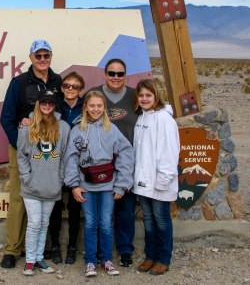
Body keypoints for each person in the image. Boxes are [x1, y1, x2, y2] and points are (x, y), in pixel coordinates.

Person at [0, 39, 63, 269]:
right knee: (19, 197)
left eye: (46, 55)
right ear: (31, 58)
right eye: (38, 56)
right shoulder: (19, 83)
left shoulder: (58, 81)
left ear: (51, 57)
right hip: (24, 150)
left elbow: (62, 113)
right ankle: (12, 250)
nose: (42, 59)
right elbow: (6, 118)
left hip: (49, 151)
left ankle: (38, 249)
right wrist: (20, 145)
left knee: (46, 196)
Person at [63, 90, 134, 277]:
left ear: (104, 108)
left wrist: (122, 184)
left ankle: (106, 259)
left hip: (108, 185)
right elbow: (71, 158)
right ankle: (90, 262)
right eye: (92, 105)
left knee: (105, 222)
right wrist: (73, 185)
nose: (95, 109)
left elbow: (125, 153)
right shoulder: (77, 130)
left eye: (99, 106)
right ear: (85, 108)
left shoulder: (112, 129)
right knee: (90, 223)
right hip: (85, 185)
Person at [89, 58, 139, 267]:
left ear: (125, 75)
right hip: (100, 164)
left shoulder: (135, 97)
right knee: (100, 212)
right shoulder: (94, 96)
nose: (116, 77)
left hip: (127, 161)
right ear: (105, 74)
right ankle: (99, 251)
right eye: (112, 73)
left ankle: (125, 249)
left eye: (120, 74)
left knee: (125, 209)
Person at [17, 90, 70, 276]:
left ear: (55, 105)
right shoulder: (27, 126)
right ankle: (30, 261)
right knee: (34, 223)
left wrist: (60, 179)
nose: (47, 106)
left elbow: (65, 156)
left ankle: (39, 259)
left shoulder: (63, 127)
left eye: (51, 103)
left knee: (44, 223)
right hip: (31, 185)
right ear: (38, 104)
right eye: (44, 102)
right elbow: (21, 155)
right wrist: (26, 176)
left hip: (52, 185)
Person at [133, 79, 180, 276]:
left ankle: (163, 258)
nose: (144, 99)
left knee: (161, 221)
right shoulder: (142, 118)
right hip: (143, 183)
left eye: (148, 95)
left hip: (159, 183)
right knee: (149, 221)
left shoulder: (164, 119)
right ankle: (150, 256)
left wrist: (162, 181)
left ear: (156, 96)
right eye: (141, 95)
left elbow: (169, 153)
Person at [46, 71, 85, 265]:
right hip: (56, 161)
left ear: (81, 89)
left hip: (78, 163)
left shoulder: (85, 107)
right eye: (67, 85)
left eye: (75, 86)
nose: (70, 89)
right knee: (55, 205)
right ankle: (54, 246)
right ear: (61, 88)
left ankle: (71, 247)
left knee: (75, 207)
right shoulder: (54, 105)